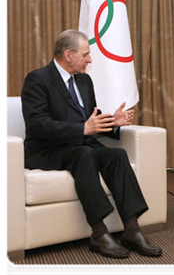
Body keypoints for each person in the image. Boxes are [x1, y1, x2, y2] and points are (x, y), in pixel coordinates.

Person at [21, 29, 163, 258]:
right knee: (84, 154)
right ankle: (98, 232)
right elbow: (37, 124)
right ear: (68, 55)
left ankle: (132, 229)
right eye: (85, 54)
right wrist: (82, 129)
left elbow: (90, 119)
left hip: (79, 145)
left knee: (117, 155)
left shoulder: (84, 81)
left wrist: (112, 122)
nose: (90, 59)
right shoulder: (38, 79)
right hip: (47, 150)